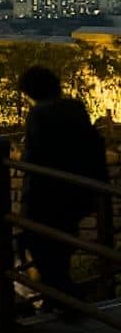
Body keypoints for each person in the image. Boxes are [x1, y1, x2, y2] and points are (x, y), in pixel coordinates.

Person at [18, 66, 109, 309]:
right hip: (74, 196)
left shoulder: (40, 114)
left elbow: (35, 158)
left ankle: (66, 303)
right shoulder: (75, 109)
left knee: (42, 252)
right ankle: (60, 302)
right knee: (60, 252)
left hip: (45, 199)